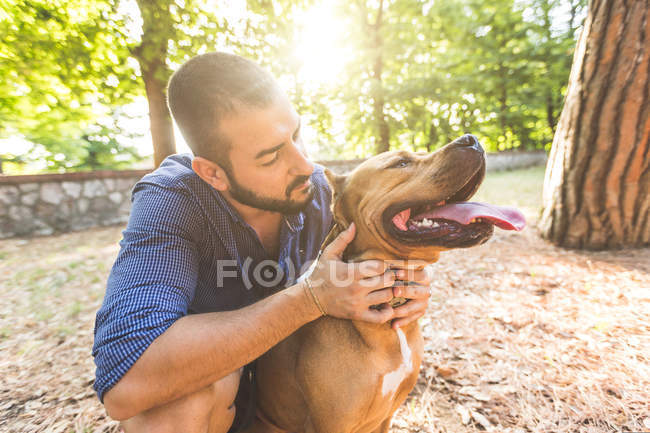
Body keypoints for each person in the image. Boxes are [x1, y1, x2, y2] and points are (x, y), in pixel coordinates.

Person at [92, 52, 433, 433]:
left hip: (297, 410)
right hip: (214, 411)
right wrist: (310, 298)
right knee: (176, 407)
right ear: (213, 173)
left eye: (296, 135)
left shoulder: (318, 190)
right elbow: (125, 381)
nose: (305, 164)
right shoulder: (171, 202)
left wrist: (400, 284)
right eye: (271, 156)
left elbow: (372, 253)